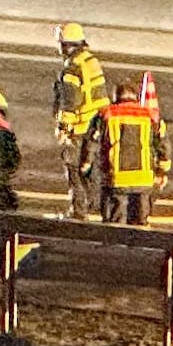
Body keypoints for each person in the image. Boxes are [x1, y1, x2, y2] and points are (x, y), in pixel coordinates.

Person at [81, 82, 172, 226]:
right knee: (140, 224)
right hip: (144, 180)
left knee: (115, 227)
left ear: (116, 97)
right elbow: (163, 146)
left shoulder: (106, 115)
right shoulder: (151, 116)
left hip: (115, 179)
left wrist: (86, 164)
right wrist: (162, 171)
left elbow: (92, 142)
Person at [52, 22, 108, 219]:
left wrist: (64, 127)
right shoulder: (91, 61)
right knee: (92, 168)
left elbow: (70, 101)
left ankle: (78, 210)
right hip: (97, 125)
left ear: (66, 44)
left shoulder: (72, 68)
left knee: (74, 169)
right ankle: (101, 209)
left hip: (80, 127)